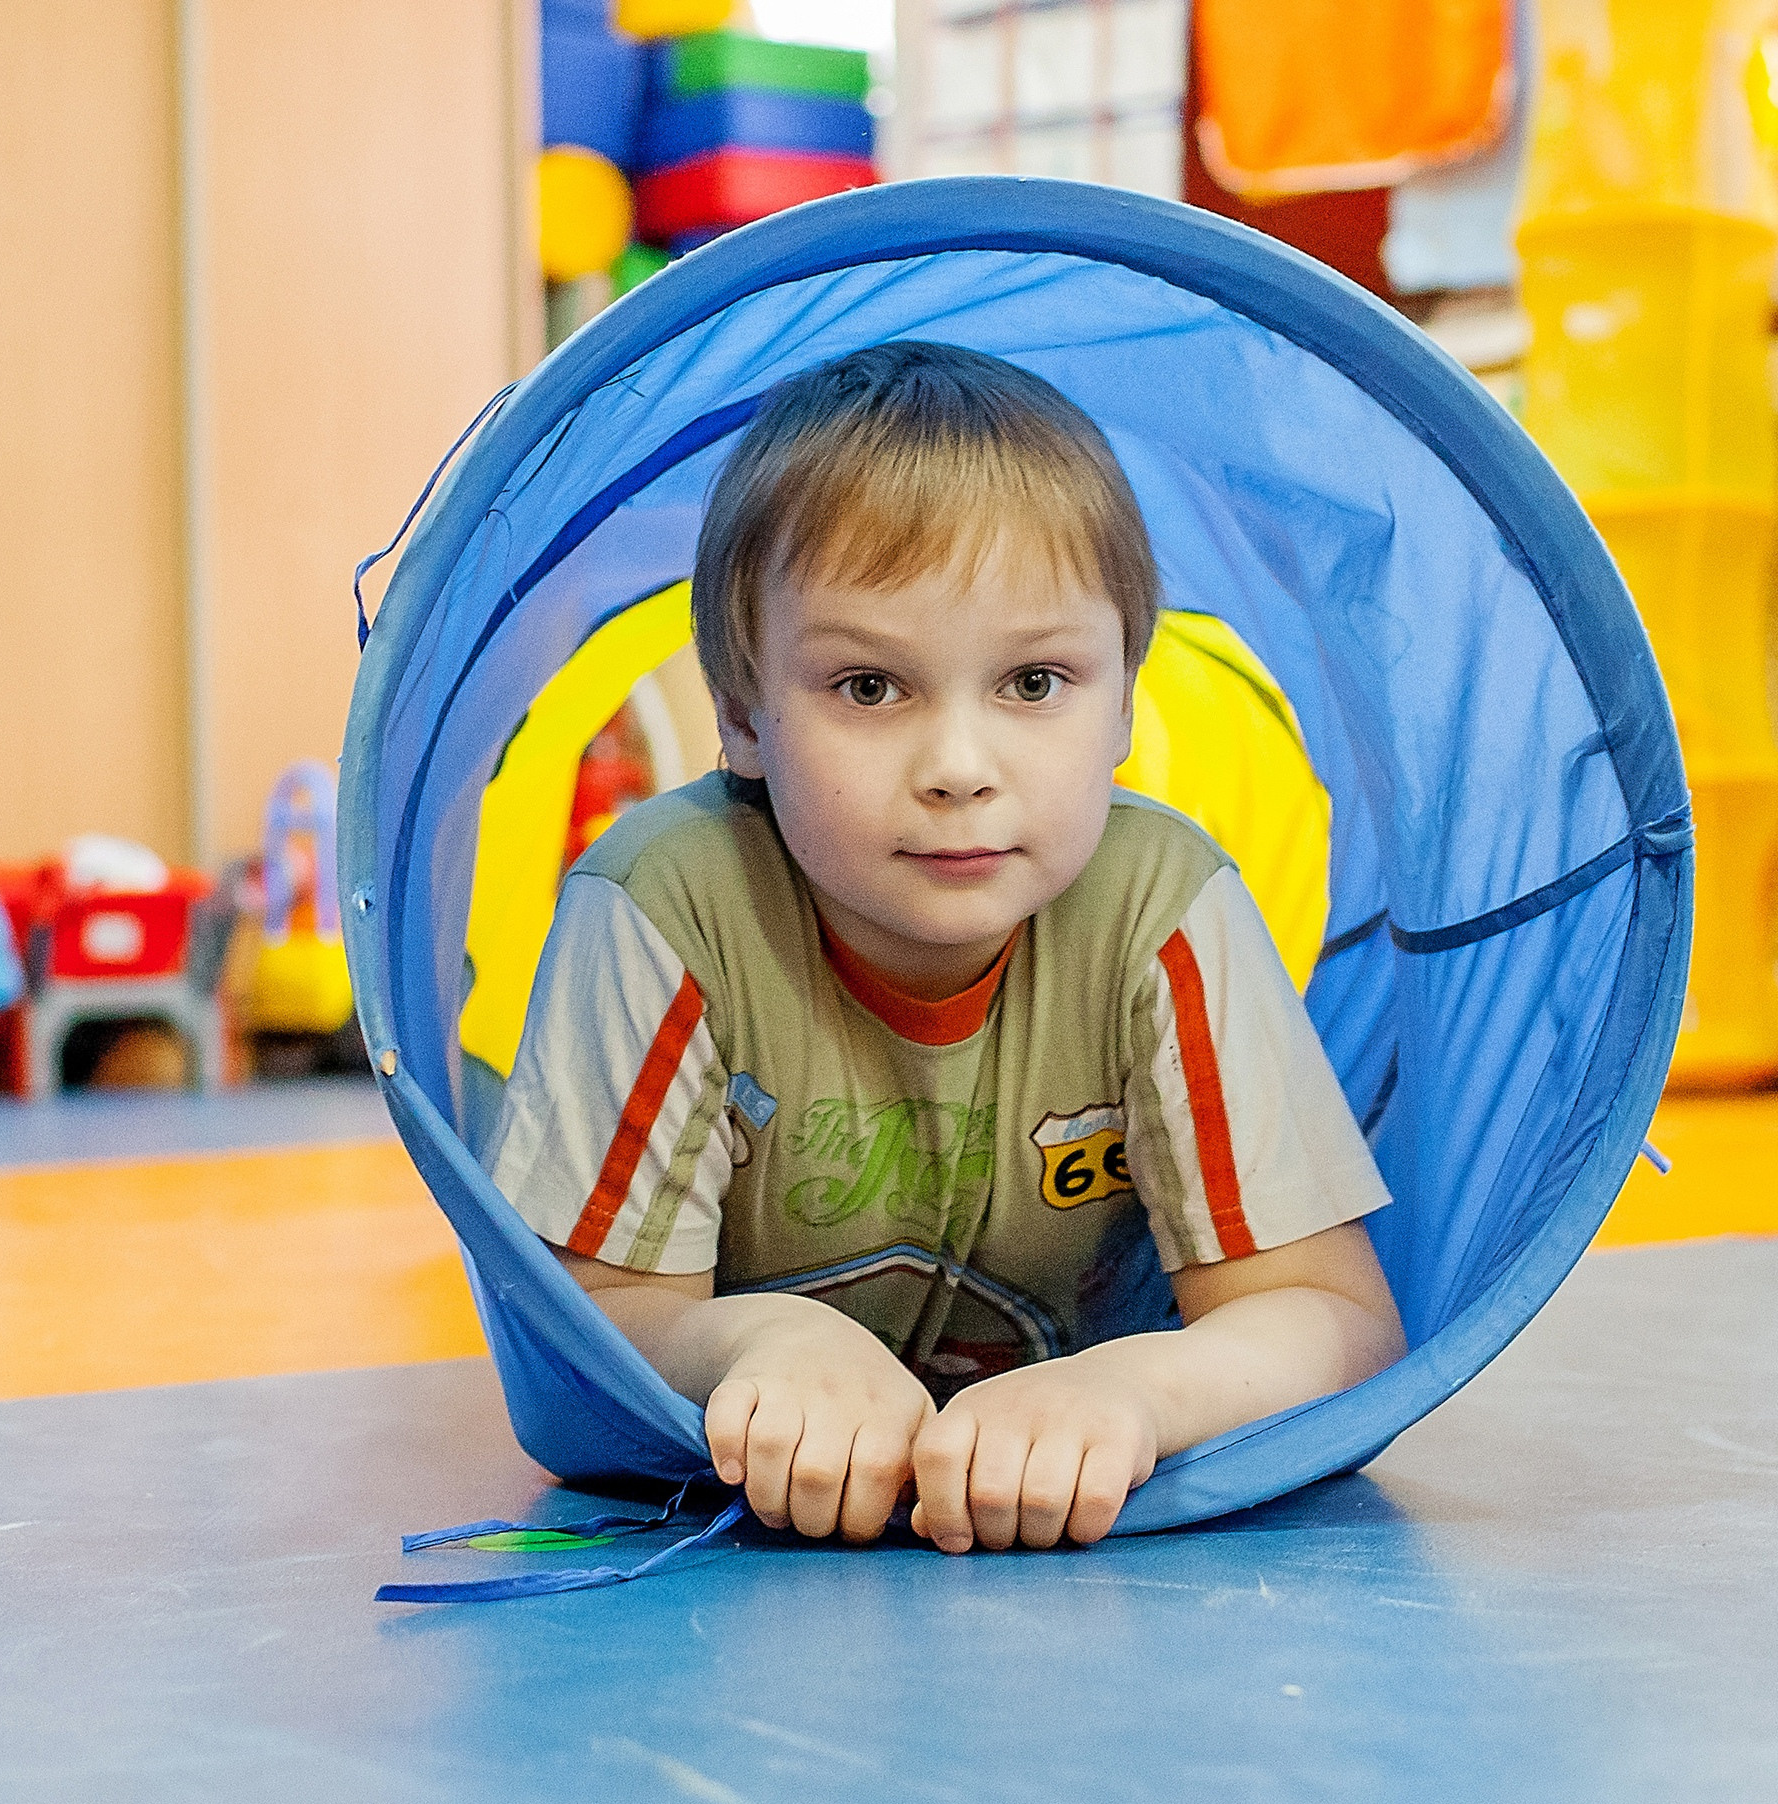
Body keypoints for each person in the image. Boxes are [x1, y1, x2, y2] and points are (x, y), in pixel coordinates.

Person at [489, 341, 1401, 1555]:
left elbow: (1334, 1318)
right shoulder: (668, 904)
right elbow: (573, 1350)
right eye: (869, 687)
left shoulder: (1161, 904)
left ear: (1126, 703)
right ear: (741, 715)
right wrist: (767, 1346)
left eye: (1034, 681)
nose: (960, 769)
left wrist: (1125, 1394)